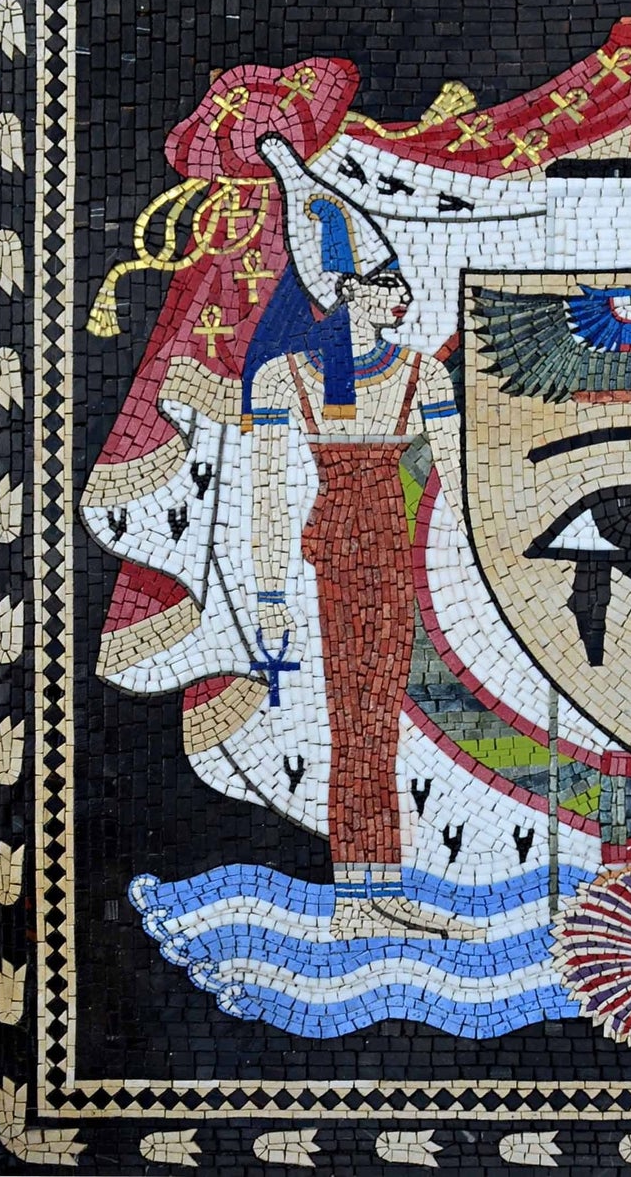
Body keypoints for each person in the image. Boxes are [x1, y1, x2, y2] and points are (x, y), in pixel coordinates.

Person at [247, 166, 478, 941]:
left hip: (389, 550)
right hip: (340, 553)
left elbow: (459, 476)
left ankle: (376, 887)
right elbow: (267, 492)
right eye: (385, 283)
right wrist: (268, 595)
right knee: (353, 720)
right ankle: (359, 895)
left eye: (400, 283)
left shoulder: (422, 372)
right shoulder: (287, 378)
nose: (401, 296)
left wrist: (485, 563)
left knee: (377, 720)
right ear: (346, 290)